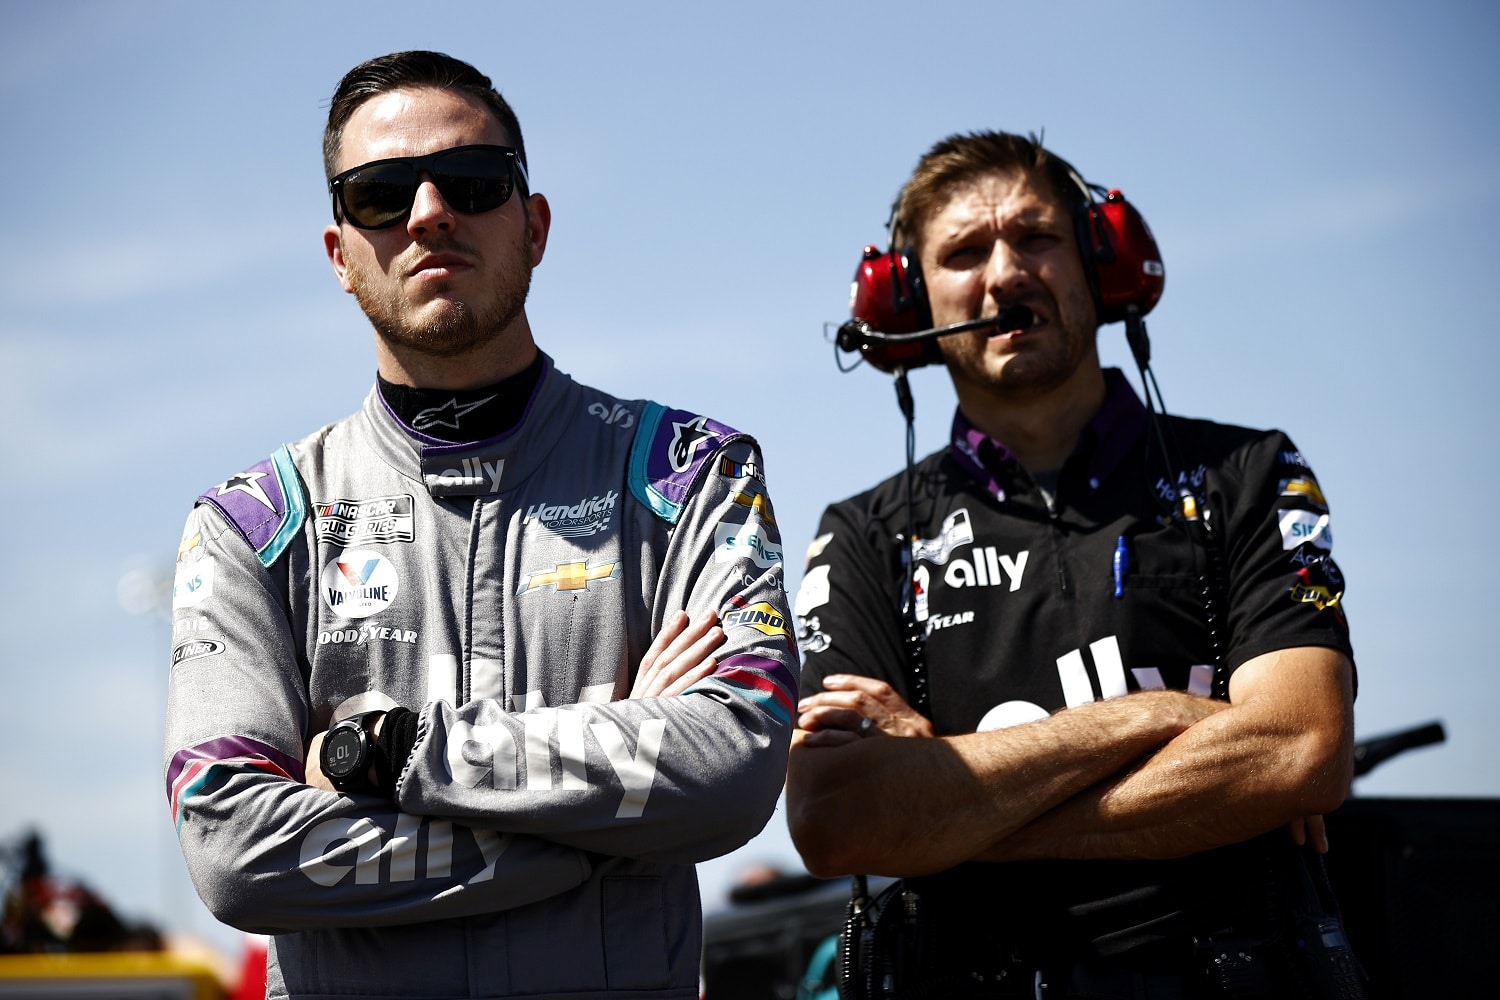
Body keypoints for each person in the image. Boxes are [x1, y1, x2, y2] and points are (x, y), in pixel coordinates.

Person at [162, 50, 797, 1000]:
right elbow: (232, 852)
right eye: (379, 194)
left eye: (472, 182)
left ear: (533, 226)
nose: (428, 213)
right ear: (341, 254)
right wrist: (595, 821)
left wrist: (389, 757)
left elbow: (736, 766)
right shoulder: (252, 527)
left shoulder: (692, 473)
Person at [786, 132, 1356, 998]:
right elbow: (836, 821)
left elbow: (1300, 748)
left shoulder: (1248, 475)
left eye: (1037, 237)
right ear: (910, 303)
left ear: (1100, 261)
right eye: (965, 253)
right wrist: (1155, 719)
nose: (1006, 273)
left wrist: (947, 795)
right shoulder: (866, 536)